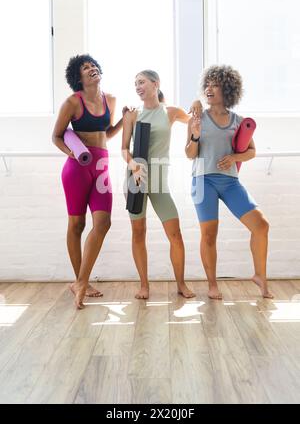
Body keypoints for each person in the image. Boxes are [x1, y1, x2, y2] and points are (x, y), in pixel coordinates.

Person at [186, 65, 273, 300]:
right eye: (208, 84)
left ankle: (259, 276)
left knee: (261, 225)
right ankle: (212, 284)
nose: (209, 88)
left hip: (230, 181)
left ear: (228, 89)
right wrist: (194, 134)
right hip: (203, 180)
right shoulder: (197, 118)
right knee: (209, 234)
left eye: (215, 84)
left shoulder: (239, 121)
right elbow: (190, 154)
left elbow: (252, 151)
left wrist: (235, 157)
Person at [52, 54, 125, 309]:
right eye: (85, 67)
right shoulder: (73, 101)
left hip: (102, 165)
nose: (92, 68)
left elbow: (106, 133)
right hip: (77, 167)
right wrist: (71, 152)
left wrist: (124, 121)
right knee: (77, 224)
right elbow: (57, 136)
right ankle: (79, 280)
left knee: (103, 223)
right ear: (78, 77)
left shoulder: (111, 99)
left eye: (93, 65)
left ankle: (81, 281)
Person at [122, 69, 196, 300]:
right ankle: (144, 285)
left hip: (159, 183)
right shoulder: (132, 115)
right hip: (136, 179)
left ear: (156, 84)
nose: (138, 86)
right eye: (135, 84)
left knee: (175, 234)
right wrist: (133, 164)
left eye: (142, 82)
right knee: (138, 232)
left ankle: (181, 284)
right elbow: (124, 149)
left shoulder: (171, 112)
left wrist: (197, 105)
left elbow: (195, 121)